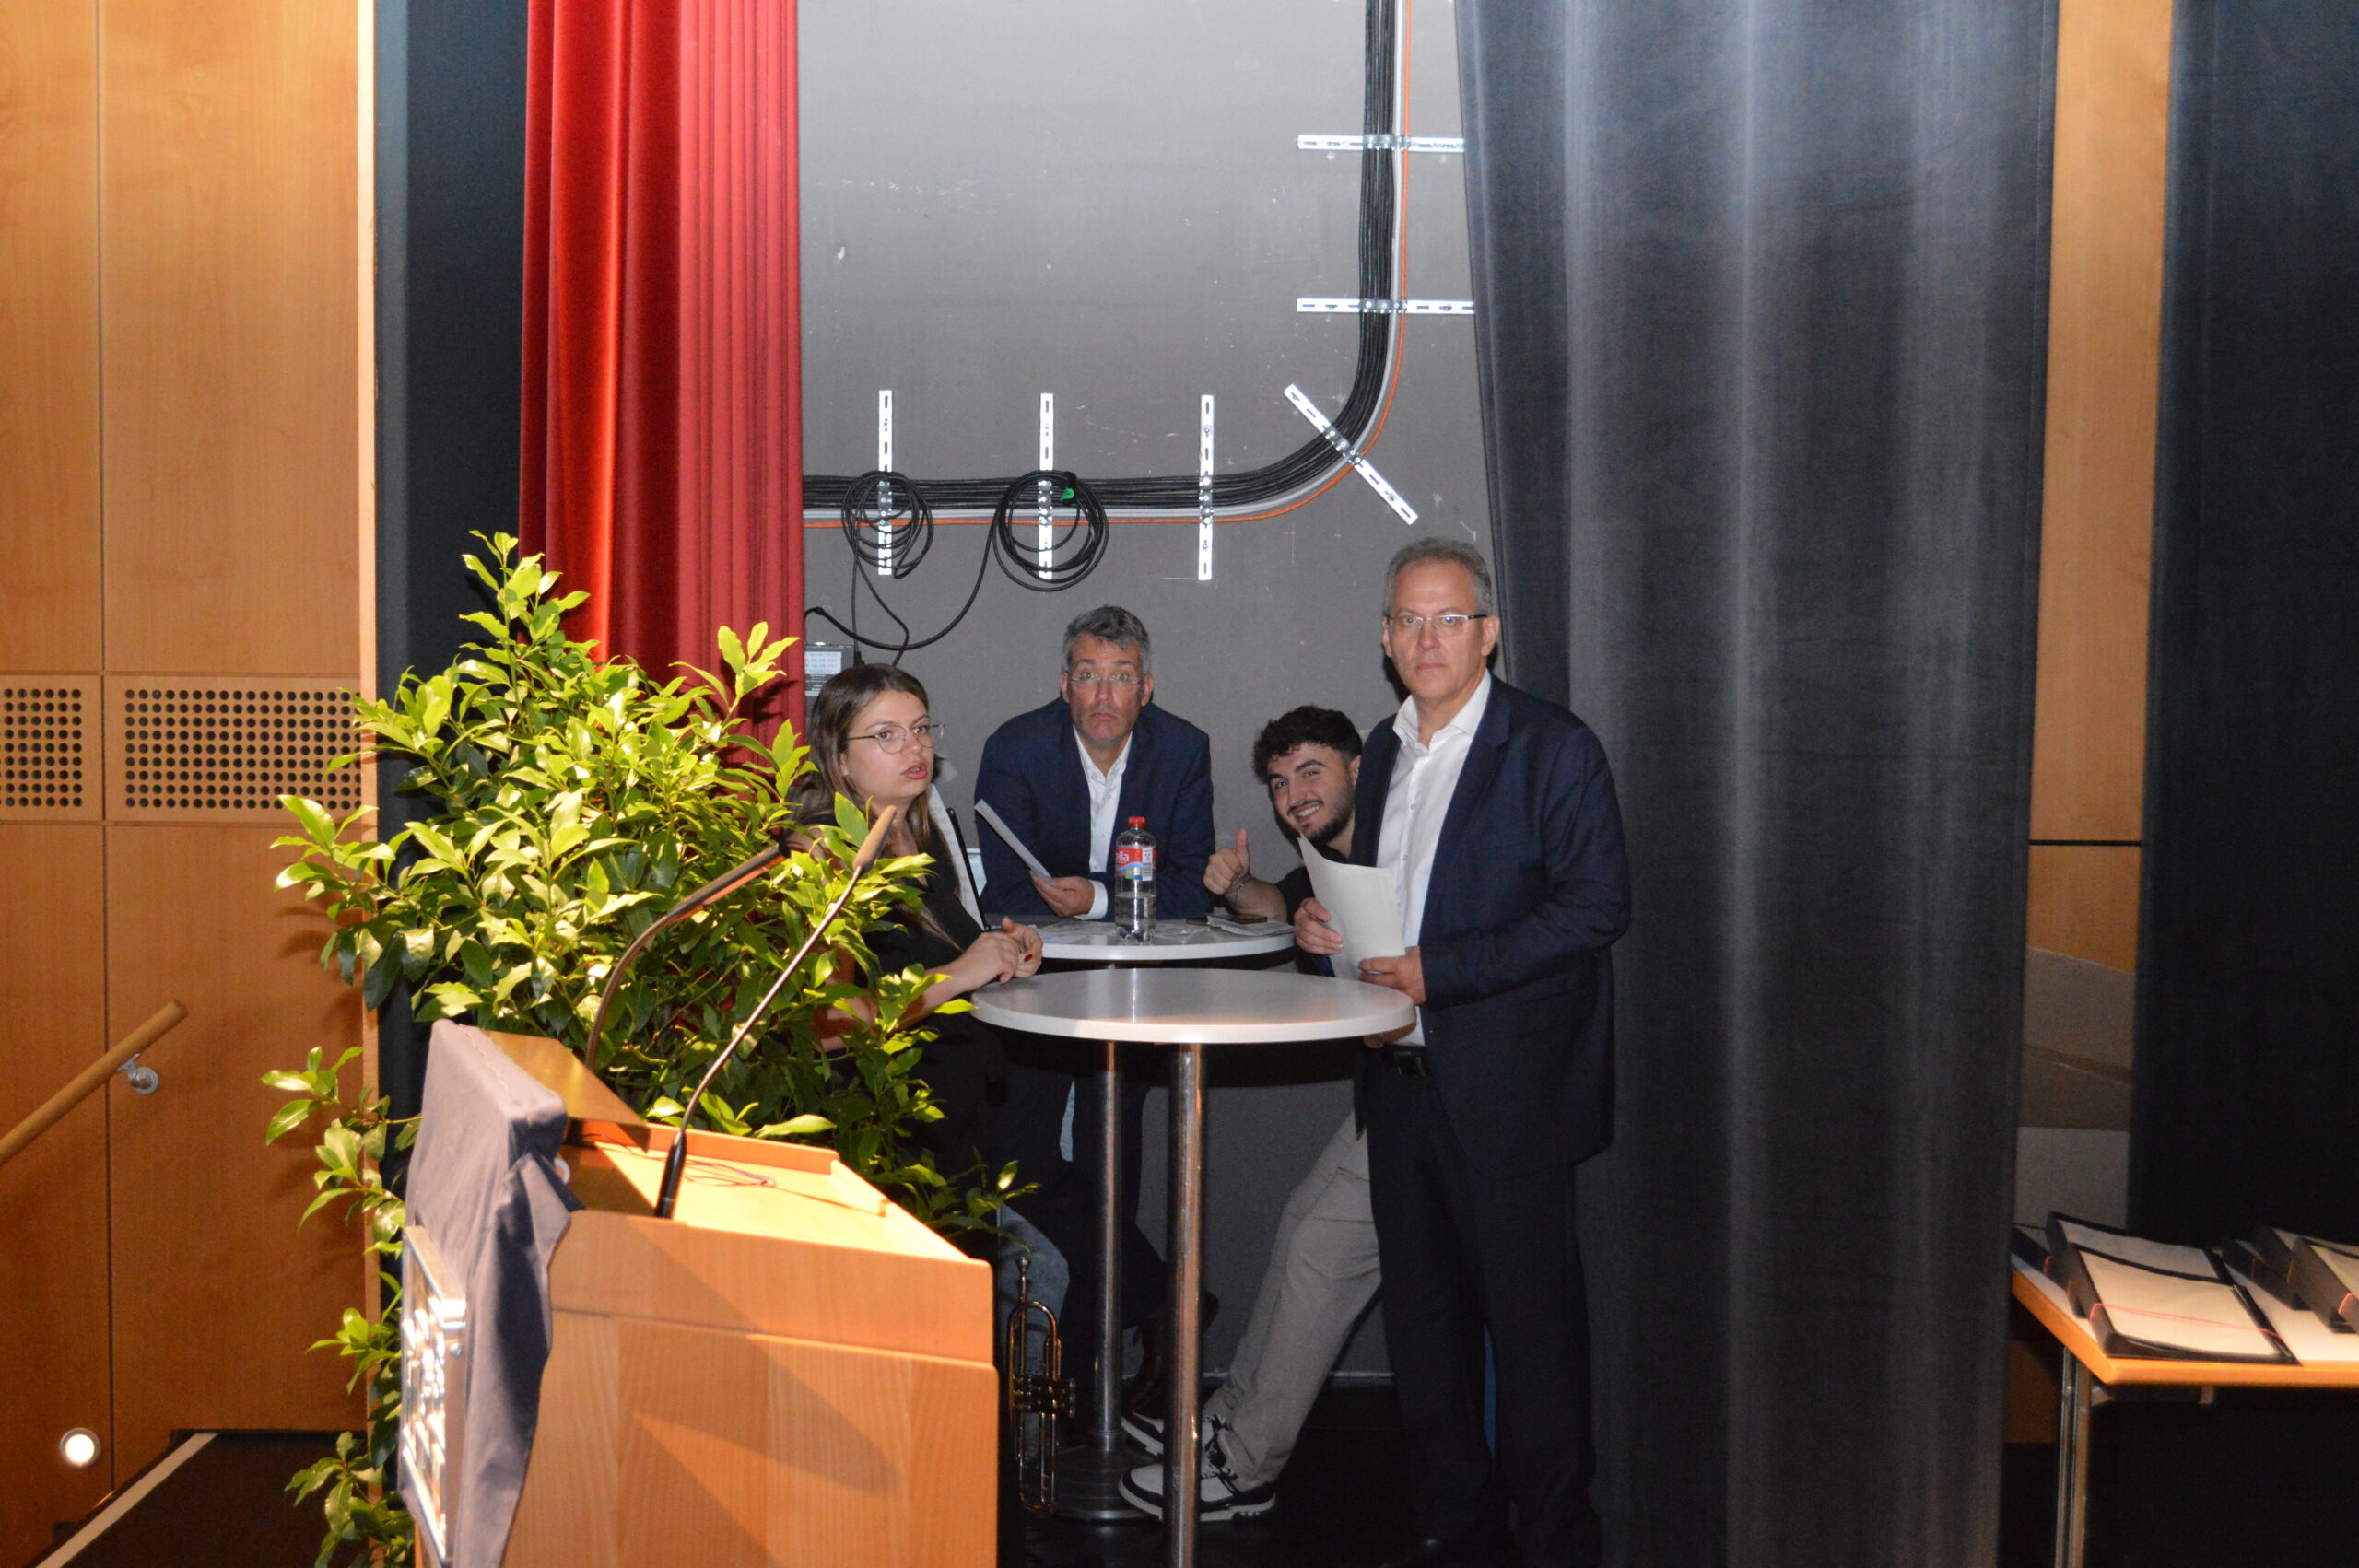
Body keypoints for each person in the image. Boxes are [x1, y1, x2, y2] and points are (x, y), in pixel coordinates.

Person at [1297, 540, 1629, 1568]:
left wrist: (1439, 971)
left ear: (1488, 633)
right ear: (1385, 639)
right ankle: (1455, 1530)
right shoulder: (1383, 747)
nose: (1427, 639)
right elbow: (1388, 904)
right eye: (1408, 620)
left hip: (1509, 1097)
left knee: (1533, 1342)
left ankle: (1558, 1544)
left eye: (1449, 619)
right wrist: (1326, 928)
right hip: (1397, 1089)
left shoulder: (1552, 746)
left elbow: (1596, 905)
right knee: (1425, 1336)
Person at [1120, 706, 1379, 1524]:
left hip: (1453, 1097)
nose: (1294, 794)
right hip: (1395, 1095)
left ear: (1359, 770)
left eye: (1311, 772)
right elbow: (1276, 903)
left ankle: (1247, 1464)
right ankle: (1225, 1424)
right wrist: (1238, 888)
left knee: (1321, 1252)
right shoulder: (1325, 860)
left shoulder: (1398, 847)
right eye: (1278, 782)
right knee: (1303, 1224)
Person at [973, 605, 1218, 1411]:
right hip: (1036, 983)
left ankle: (1086, 1371)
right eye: (1087, 676)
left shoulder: (1183, 749)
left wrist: (1099, 899)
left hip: (1141, 987)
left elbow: (1191, 888)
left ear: (1146, 687)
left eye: (1120, 677)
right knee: (1019, 1156)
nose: (1103, 695)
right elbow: (1002, 891)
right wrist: (1066, 913)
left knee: (1114, 1159)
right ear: (1063, 685)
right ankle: (1164, 1302)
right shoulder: (1015, 748)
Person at [792, 662, 1043, 1177]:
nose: (915, 748)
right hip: (879, 1130)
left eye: (921, 729)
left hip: (954, 1110)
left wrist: (1001, 950)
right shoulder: (822, 852)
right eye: (886, 735)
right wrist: (963, 971)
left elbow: (932, 955)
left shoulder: (918, 830)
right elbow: (827, 1026)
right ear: (840, 759)